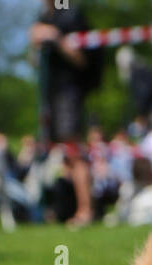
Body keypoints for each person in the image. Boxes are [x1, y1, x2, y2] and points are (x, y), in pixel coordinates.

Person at [29, 1, 101, 226]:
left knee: (75, 153)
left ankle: (86, 210)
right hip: (50, 94)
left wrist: (55, 37)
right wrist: (35, 42)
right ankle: (70, 209)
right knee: (64, 156)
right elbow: (33, 63)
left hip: (69, 94)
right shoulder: (44, 16)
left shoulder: (71, 13)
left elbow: (82, 58)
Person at [115, 46, 152, 126]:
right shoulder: (143, 67)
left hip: (151, 110)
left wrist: (142, 112)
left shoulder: (136, 73)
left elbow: (144, 94)